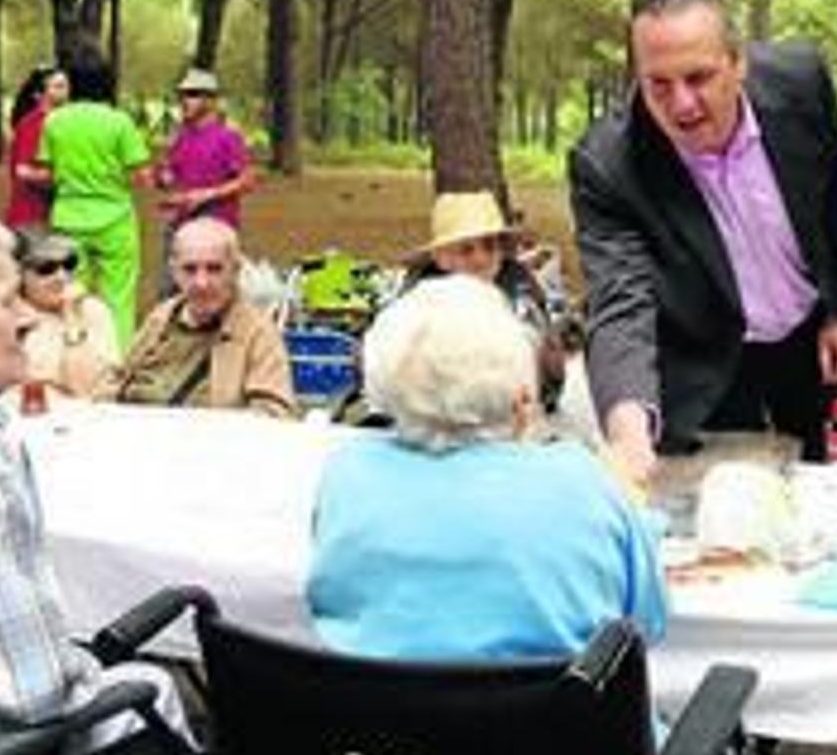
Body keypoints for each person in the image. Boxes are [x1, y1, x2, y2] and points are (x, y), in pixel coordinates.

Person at [0, 205, 197, 755]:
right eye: (10, 299)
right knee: (157, 693)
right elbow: (36, 695)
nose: (28, 319)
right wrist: (98, 672)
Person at [569, 0, 837, 488]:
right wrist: (627, 430)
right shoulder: (607, 165)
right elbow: (620, 301)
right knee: (730, 508)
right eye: (658, 85)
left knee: (825, 487)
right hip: (704, 353)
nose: (682, 105)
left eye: (699, 77)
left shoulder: (802, 82)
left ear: (738, 64)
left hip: (806, 336)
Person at [306, 275, 666, 660]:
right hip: (552, 717)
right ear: (523, 400)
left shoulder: (348, 475)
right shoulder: (585, 485)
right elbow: (648, 625)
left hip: (374, 716)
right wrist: (635, 508)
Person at [106, 216, 297, 418]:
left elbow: (274, 416)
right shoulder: (161, 317)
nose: (201, 283)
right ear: (174, 271)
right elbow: (116, 382)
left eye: (214, 269)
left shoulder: (257, 332)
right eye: (189, 269)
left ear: (235, 270)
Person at [403, 190, 568, 411]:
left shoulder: (518, 282)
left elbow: (546, 367)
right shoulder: (420, 293)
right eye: (466, 250)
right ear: (441, 257)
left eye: (489, 246)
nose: (480, 259)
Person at [37, 46, 152, 344]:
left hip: (69, 218)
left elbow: (48, 173)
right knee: (119, 297)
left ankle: (73, 355)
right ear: (107, 81)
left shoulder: (54, 121)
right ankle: (118, 362)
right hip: (115, 219)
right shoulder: (119, 122)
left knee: (71, 294)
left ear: (72, 82)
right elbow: (140, 176)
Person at [11, 228, 120, 402]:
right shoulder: (7, 318)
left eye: (69, 264)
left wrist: (71, 318)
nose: (61, 276)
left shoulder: (93, 311)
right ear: (19, 274)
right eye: (46, 268)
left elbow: (85, 389)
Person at [156, 67, 256, 235]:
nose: (184, 100)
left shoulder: (228, 137)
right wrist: (164, 178)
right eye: (182, 95)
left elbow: (247, 181)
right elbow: (170, 178)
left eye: (192, 94)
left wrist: (206, 195)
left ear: (210, 100)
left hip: (217, 231)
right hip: (181, 230)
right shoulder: (181, 138)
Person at [4, 65, 69, 230]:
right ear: (38, 95)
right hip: (30, 220)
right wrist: (64, 179)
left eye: (66, 85)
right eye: (58, 86)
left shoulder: (60, 122)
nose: (66, 91)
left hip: (50, 217)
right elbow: (23, 171)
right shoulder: (33, 124)